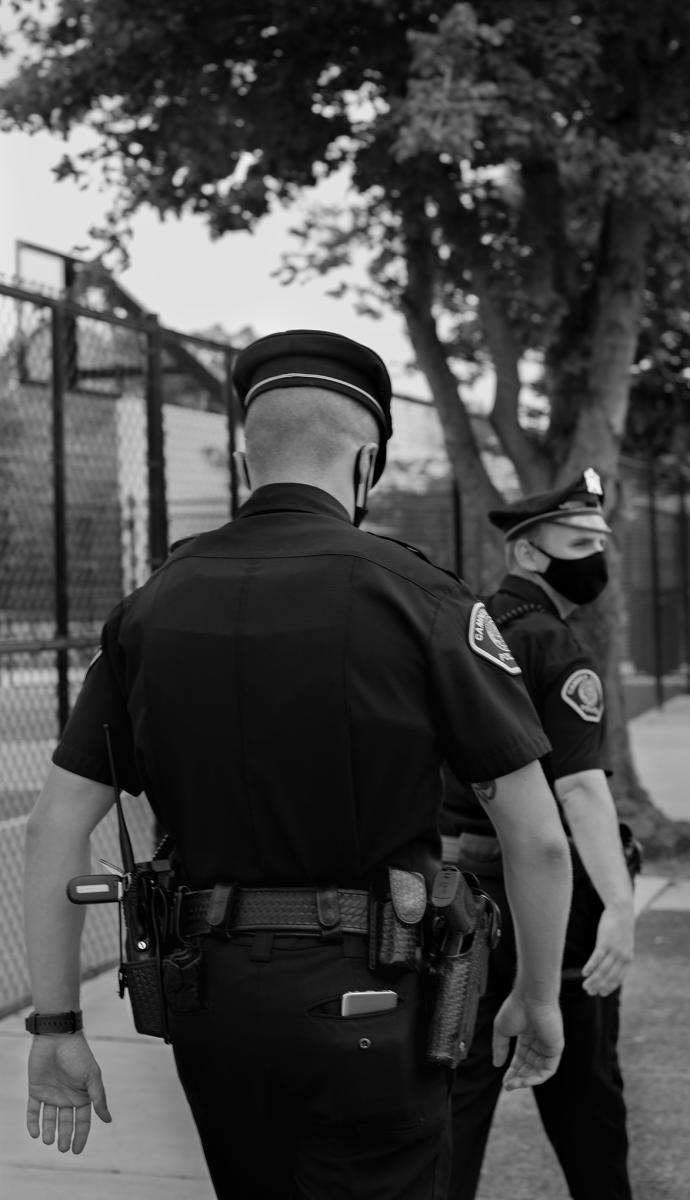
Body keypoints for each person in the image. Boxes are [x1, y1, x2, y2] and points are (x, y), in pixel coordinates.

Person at [22, 329, 573, 1199]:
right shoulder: (421, 598)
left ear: (248, 460)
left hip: (211, 1002)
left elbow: (56, 826)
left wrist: (55, 1023)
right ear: (367, 465)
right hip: (375, 996)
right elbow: (537, 838)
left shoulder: (148, 609)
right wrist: (539, 997)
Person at [441, 469, 637, 1200]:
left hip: (456, 899)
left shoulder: (463, 631)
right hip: (553, 907)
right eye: (579, 542)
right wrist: (618, 904)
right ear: (527, 553)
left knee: (456, 1099)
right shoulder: (553, 647)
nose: (596, 557)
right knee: (586, 1100)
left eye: (601, 542)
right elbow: (579, 790)